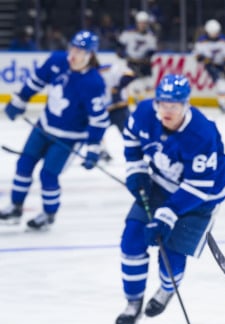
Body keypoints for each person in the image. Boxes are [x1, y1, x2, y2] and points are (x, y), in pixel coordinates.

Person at [114, 74, 225, 324]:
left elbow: (199, 186)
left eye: (173, 106)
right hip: (160, 184)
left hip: (200, 198)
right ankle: (133, 304)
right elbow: (131, 140)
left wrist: (166, 215)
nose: (166, 111)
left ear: (186, 105)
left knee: (171, 257)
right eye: (162, 104)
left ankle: (166, 288)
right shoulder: (145, 112)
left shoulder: (201, 133)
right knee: (132, 239)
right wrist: (136, 171)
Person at [0, 30, 110, 231]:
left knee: (48, 175)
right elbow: (36, 81)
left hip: (68, 139)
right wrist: (20, 100)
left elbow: (98, 120)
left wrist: (93, 148)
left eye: (80, 51)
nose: (73, 54)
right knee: (24, 164)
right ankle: (15, 207)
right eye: (73, 48)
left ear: (91, 55)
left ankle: (48, 214)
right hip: (43, 127)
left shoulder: (93, 83)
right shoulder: (57, 61)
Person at [192, 19, 225, 114]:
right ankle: (222, 104)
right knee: (221, 83)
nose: (214, 35)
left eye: (215, 33)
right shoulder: (201, 41)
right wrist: (204, 59)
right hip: (210, 65)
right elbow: (196, 56)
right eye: (212, 33)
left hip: (223, 64)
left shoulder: (224, 40)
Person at [97, 59, 137, 161]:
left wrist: (118, 88)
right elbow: (131, 75)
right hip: (111, 109)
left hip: (118, 109)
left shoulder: (114, 69)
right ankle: (102, 151)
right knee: (97, 132)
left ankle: (138, 151)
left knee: (129, 133)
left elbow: (130, 76)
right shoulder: (99, 72)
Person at [117, 11, 157, 101]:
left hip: (143, 64)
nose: (143, 25)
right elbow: (119, 48)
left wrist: (143, 60)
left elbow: (151, 53)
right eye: (141, 23)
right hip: (129, 63)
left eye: (145, 23)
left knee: (148, 85)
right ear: (137, 23)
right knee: (130, 85)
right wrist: (125, 56)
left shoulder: (150, 36)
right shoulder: (128, 33)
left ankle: (147, 103)